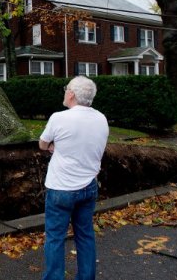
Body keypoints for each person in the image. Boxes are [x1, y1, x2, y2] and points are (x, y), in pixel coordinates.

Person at [38, 75, 109, 280]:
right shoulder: (101, 118)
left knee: (55, 238)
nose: (65, 92)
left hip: (61, 188)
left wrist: (54, 146)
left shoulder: (59, 118)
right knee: (85, 235)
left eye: (66, 89)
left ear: (71, 94)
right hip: (89, 186)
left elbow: (43, 144)